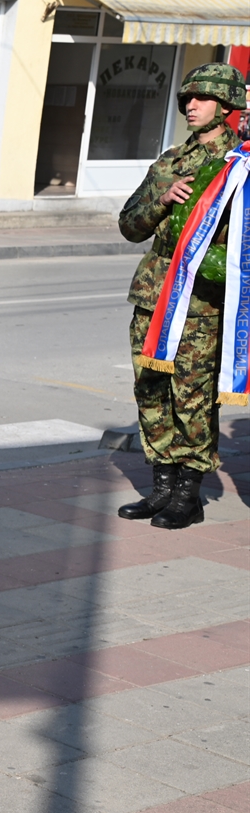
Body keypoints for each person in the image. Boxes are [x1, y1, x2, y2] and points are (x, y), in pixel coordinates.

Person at [117, 63, 246, 529]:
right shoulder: (169, 161)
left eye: (202, 98)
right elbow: (129, 225)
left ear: (226, 106)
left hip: (202, 304)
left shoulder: (239, 166)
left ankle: (188, 495)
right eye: (186, 98)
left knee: (192, 397)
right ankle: (162, 488)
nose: (191, 105)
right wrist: (162, 200)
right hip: (154, 296)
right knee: (150, 390)